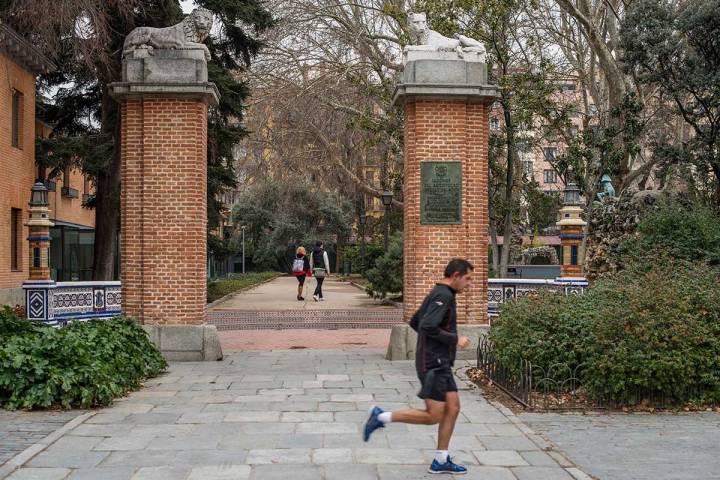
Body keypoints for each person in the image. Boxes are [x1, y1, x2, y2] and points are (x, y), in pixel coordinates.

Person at [363, 258, 474, 475]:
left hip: (439, 361)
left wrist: (431, 343)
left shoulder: (440, 293)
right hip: (433, 364)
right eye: (468, 279)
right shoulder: (443, 295)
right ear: (456, 276)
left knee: (453, 408)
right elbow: (427, 325)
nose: (469, 284)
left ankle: (441, 460)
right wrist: (454, 339)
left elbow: (415, 321)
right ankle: (380, 416)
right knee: (433, 415)